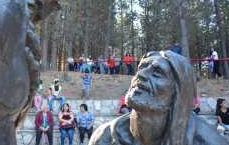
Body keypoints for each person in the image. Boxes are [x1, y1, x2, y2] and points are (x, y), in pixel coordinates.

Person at [89, 50, 229, 145]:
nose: (141, 75)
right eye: (142, 68)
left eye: (157, 73)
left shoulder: (208, 141)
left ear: (177, 91)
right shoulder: (104, 137)